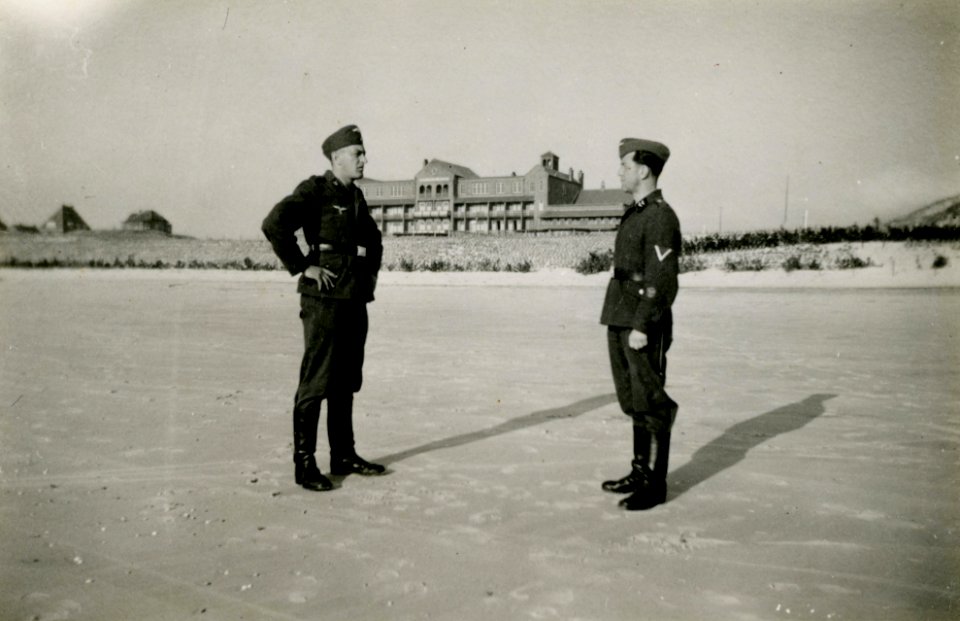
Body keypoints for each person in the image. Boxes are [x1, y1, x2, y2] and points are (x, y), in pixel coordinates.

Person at [262, 124, 386, 492]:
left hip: (352, 298)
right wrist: (303, 266)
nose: (364, 159)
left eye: (363, 153)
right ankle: (304, 464)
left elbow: (374, 241)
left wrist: (371, 279)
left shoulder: (357, 197)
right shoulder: (315, 190)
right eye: (357, 154)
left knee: (346, 380)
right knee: (316, 381)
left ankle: (343, 455)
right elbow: (274, 225)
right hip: (323, 299)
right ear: (336, 159)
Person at [599, 137, 681, 511]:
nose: (620, 172)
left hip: (640, 320)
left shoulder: (660, 216)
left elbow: (662, 278)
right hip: (620, 314)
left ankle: (654, 483)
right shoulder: (636, 212)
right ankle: (639, 470)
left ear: (644, 170)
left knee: (651, 399)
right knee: (632, 397)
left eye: (625, 166)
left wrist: (644, 325)